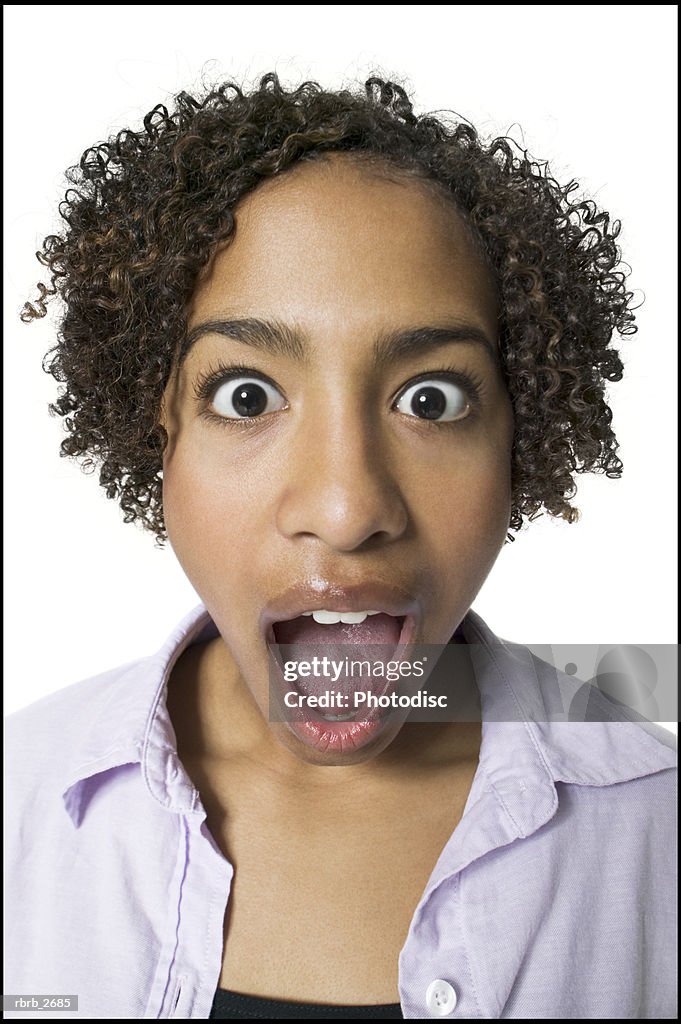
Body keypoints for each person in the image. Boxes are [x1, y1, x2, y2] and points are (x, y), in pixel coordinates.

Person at [5, 72, 676, 1020]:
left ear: (519, 435)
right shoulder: (19, 806)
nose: (346, 504)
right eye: (246, 395)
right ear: (159, 430)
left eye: (429, 399)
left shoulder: (657, 833)